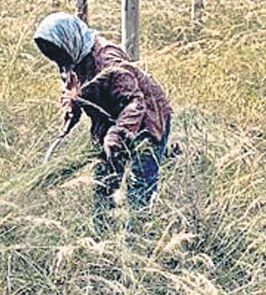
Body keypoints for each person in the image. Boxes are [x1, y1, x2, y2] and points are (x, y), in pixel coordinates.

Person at [33, 12, 173, 229]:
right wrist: (71, 107)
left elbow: (135, 102)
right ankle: (102, 233)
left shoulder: (107, 60)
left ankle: (136, 238)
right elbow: (72, 88)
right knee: (104, 182)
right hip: (111, 120)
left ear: (68, 39)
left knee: (139, 189)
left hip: (147, 120)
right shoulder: (73, 58)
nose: (59, 61)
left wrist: (116, 134)